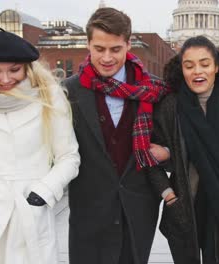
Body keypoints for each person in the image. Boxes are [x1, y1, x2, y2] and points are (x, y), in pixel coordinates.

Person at [62, 7, 169, 264]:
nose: (107, 57)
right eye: (99, 49)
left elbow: (175, 142)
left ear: (128, 44)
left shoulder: (154, 90)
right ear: (88, 44)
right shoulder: (69, 91)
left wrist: (167, 153)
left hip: (137, 210)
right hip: (89, 211)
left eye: (115, 49)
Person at [0, 29, 80, 264]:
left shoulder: (49, 97)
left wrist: (43, 191)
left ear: (27, 68)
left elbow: (69, 157)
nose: (6, 79)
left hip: (29, 208)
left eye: (14, 70)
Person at [145, 36, 219, 264]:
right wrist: (168, 195)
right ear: (182, 69)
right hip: (184, 206)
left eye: (205, 64)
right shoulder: (170, 107)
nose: (198, 71)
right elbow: (149, 155)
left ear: (216, 67)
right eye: (189, 65)